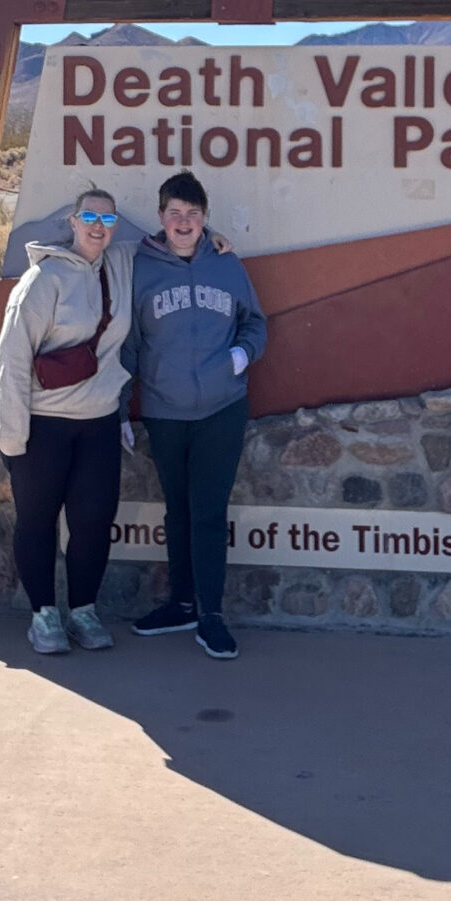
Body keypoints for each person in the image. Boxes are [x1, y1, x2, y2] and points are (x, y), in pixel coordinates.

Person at [122, 171, 268, 661]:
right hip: (164, 412)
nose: (183, 222)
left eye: (193, 214)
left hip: (221, 410)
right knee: (177, 511)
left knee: (207, 512)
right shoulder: (139, 267)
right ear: (161, 218)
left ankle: (212, 615)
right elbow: (128, 344)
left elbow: (254, 322)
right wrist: (122, 408)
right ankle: (181, 604)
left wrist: (240, 358)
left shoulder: (227, 265)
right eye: (174, 213)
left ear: (206, 219)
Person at [0, 186, 135, 654]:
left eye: (108, 221)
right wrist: (12, 437)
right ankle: (44, 615)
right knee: (37, 520)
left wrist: (215, 241)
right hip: (44, 423)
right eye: (89, 218)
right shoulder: (42, 280)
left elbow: (178, 238)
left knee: (93, 521)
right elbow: (11, 359)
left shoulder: (120, 267)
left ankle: (84, 611)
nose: (98, 227)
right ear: (72, 222)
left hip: (99, 423)